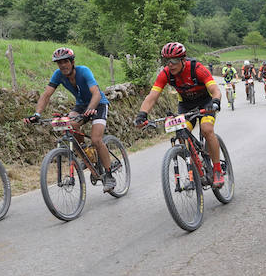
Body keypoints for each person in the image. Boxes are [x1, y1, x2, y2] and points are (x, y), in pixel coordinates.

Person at [133, 42, 226, 187]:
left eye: (174, 61)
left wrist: (215, 102)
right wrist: (142, 115)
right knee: (182, 133)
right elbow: (152, 96)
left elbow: (215, 90)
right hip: (186, 105)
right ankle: (197, 171)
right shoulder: (166, 74)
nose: (170, 64)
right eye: (167, 61)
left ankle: (217, 171)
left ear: (183, 60)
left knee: (207, 129)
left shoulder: (197, 68)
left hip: (206, 103)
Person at [27, 46, 116, 192]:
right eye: (59, 63)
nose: (63, 65)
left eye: (65, 61)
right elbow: (46, 95)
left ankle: (108, 175)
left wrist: (90, 109)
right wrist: (37, 114)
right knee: (68, 125)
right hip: (81, 106)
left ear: (72, 62)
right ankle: (85, 155)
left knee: (96, 139)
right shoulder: (58, 75)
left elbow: (96, 93)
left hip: (98, 104)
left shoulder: (84, 71)